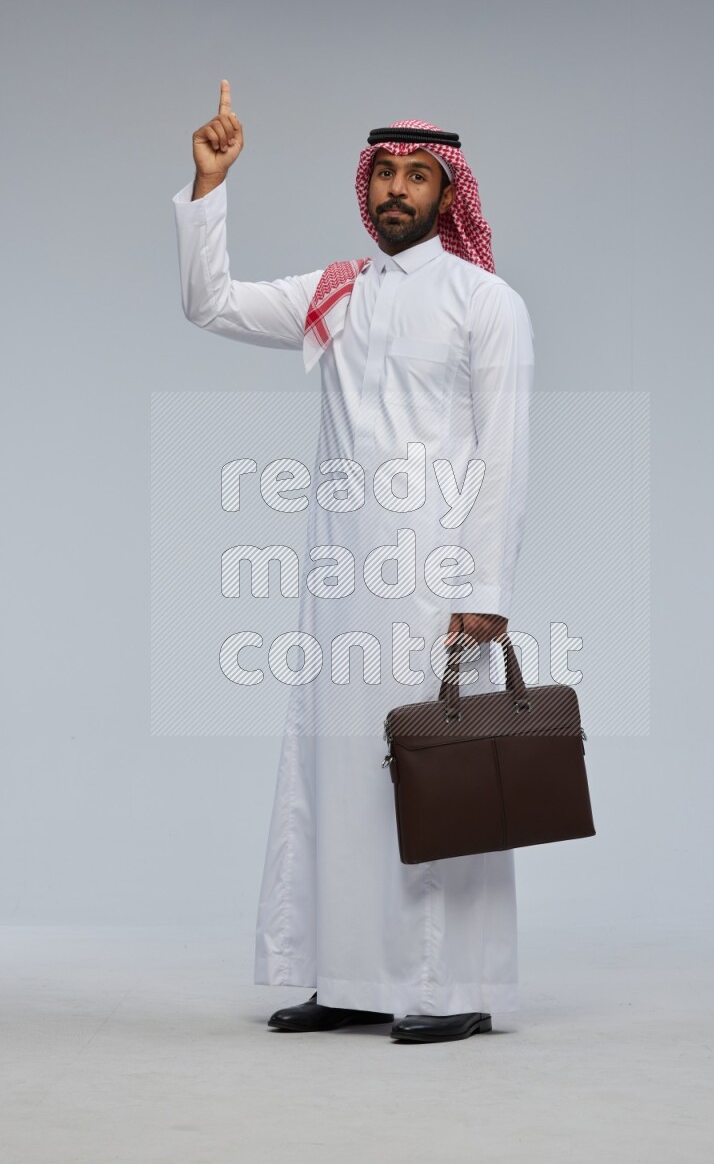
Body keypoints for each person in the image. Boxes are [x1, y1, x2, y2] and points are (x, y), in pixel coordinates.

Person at [172, 80, 535, 1043]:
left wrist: (486, 591)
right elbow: (209, 302)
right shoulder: (335, 294)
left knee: (436, 774)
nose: (397, 190)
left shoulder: (486, 303)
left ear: (447, 192)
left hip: (436, 587)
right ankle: (345, 975)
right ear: (365, 183)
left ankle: (450, 988)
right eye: (385, 173)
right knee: (336, 774)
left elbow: (504, 454)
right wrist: (209, 186)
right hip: (339, 586)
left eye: (418, 175)